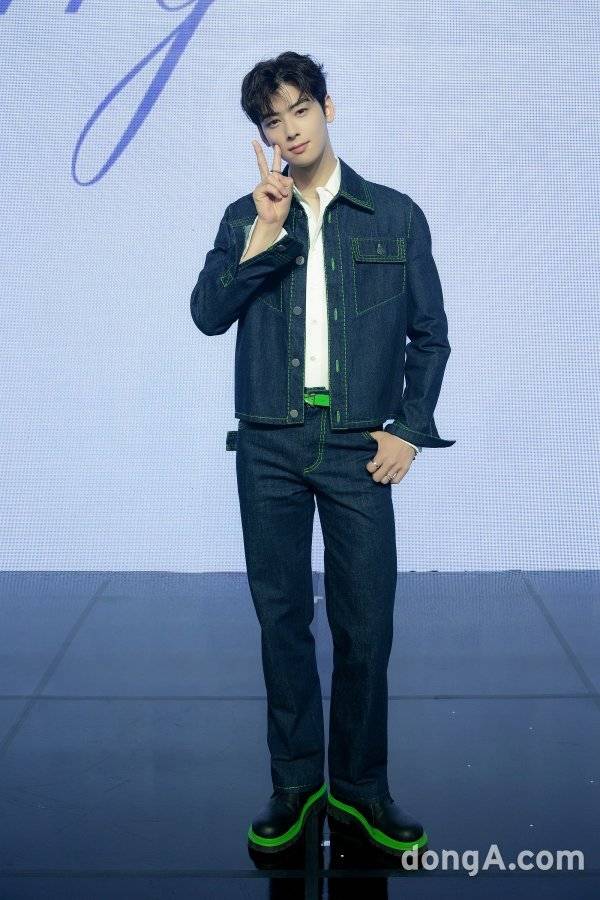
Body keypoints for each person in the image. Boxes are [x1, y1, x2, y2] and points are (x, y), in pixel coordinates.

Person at [190, 51, 455, 858]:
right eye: (273, 122)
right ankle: (296, 783)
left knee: (366, 624)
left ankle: (362, 789)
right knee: (282, 621)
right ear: (263, 135)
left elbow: (430, 336)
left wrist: (408, 429)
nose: (290, 130)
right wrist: (267, 231)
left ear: (327, 109)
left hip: (354, 445)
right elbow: (207, 314)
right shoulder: (246, 216)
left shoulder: (394, 215)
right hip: (268, 442)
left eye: (300, 110)